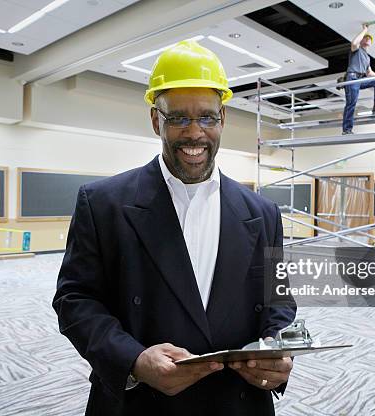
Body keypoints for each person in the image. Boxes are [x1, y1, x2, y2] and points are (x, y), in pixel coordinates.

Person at [53, 40, 297, 416]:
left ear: (223, 118)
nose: (194, 133)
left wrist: (273, 348)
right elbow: (75, 300)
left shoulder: (262, 212)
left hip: (238, 403)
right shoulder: (103, 203)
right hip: (139, 405)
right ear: (156, 120)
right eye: (178, 118)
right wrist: (133, 360)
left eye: (207, 117)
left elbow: (277, 300)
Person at [342, 23, 375, 135]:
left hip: (361, 79)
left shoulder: (367, 57)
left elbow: (369, 73)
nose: (368, 39)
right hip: (352, 78)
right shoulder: (357, 49)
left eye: (370, 38)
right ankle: (347, 130)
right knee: (351, 103)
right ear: (362, 40)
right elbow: (353, 43)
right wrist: (365, 30)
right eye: (366, 37)